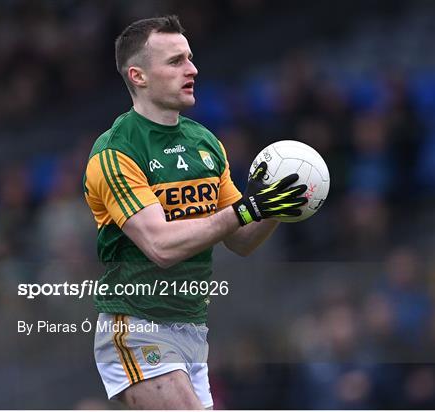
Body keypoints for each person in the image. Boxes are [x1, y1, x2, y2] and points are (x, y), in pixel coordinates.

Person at [83, 15, 307, 409]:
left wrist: (275, 209)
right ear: (138, 76)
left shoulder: (206, 143)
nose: (192, 69)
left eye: (190, 58)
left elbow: (239, 240)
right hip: (137, 325)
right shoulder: (115, 151)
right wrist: (245, 209)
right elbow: (160, 246)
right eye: (175, 61)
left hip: (192, 329)